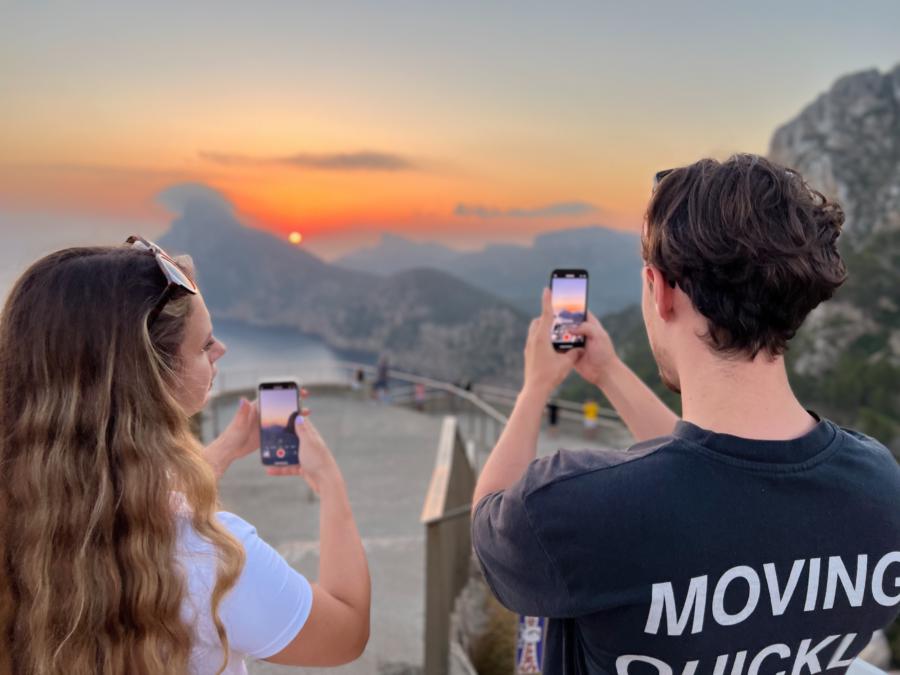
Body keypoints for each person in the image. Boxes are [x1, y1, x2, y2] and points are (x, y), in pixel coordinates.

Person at [471, 155, 900, 673]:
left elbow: (488, 519)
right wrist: (606, 371)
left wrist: (536, 386)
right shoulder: (879, 488)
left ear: (662, 289)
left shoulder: (572, 508)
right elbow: (711, 479)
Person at [0, 238, 370, 675]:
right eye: (204, 345)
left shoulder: (26, 515)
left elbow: (116, 499)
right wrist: (329, 482)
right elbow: (346, 629)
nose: (221, 351)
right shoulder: (213, 563)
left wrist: (226, 449)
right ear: (152, 377)